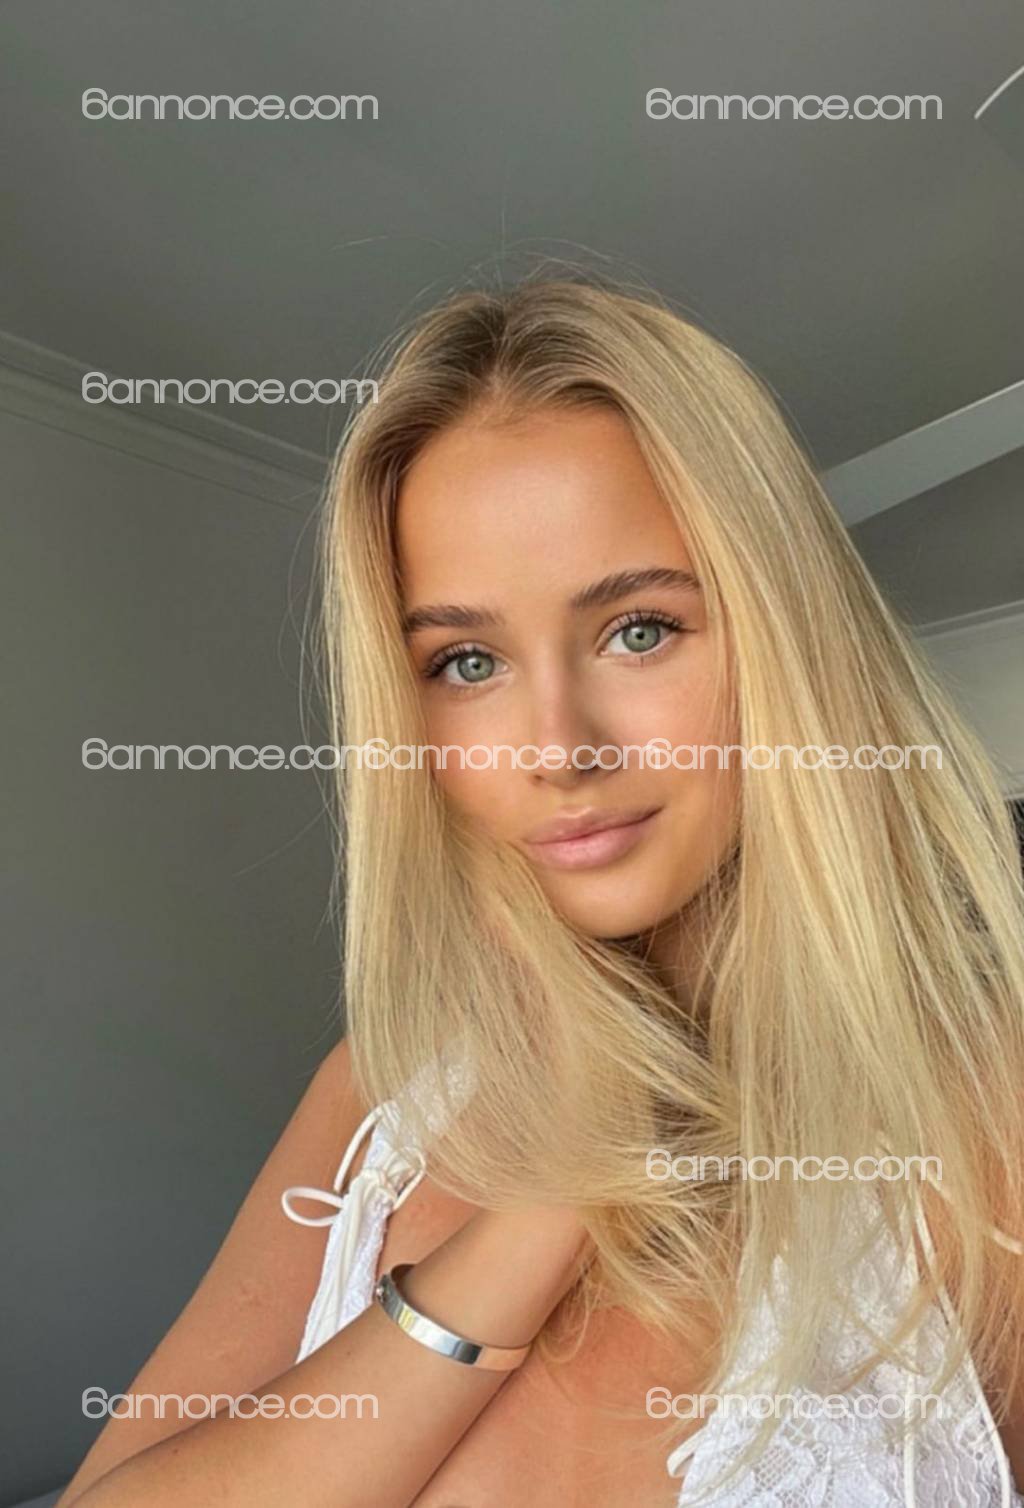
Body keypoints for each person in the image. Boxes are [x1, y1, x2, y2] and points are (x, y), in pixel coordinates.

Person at [56, 276, 1024, 1506]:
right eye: (466, 661)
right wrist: (546, 1210)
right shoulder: (383, 1089)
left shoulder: (979, 1101)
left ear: (791, 636)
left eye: (639, 629)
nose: (558, 747)